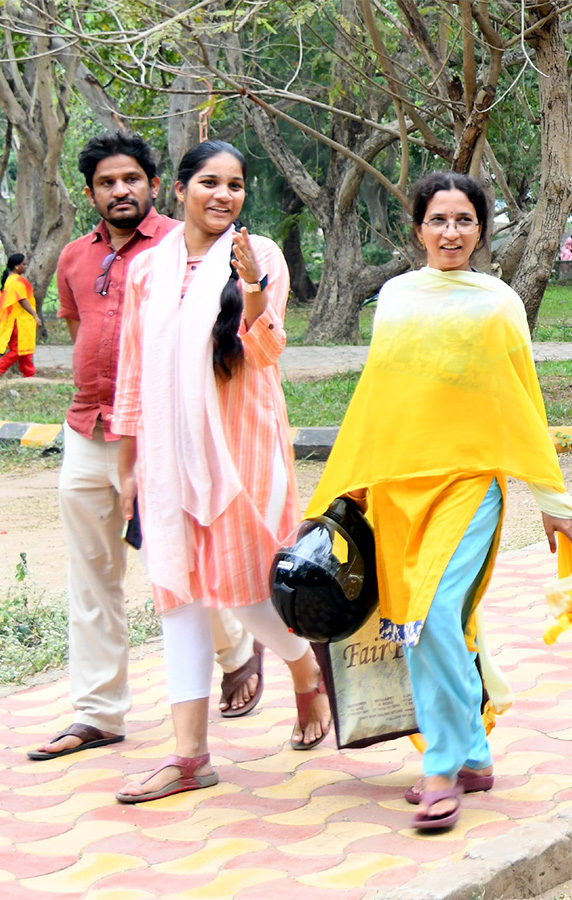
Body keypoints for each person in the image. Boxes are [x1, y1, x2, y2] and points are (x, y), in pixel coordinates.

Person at [306, 171, 572, 832]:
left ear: (482, 228)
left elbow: (524, 400)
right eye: (438, 220)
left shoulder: (498, 303)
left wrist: (551, 498)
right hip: (395, 488)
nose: (450, 233)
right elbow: (380, 397)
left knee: (436, 612)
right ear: (418, 228)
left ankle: (441, 766)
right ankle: (472, 751)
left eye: (463, 220)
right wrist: (347, 487)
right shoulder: (396, 297)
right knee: (413, 620)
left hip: (470, 485)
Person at [28, 133, 263, 763]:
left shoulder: (182, 247)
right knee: (93, 576)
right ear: (91, 194)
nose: (120, 191)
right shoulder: (76, 257)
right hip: (87, 427)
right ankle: (98, 712)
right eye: (107, 183)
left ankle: (238, 650)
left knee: (185, 567)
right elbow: (86, 332)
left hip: (165, 437)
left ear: (157, 186)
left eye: (132, 179)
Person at [110, 140, 330, 802]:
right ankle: (188, 756)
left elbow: (264, 352)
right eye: (209, 181)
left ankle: (302, 671)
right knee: (177, 592)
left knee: (241, 590)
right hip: (168, 454)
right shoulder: (148, 270)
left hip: (241, 451)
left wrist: (255, 289)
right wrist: (128, 471)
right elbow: (132, 371)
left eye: (235, 184)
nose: (223, 195)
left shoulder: (259, 256)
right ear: (178, 190)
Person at [0, 253, 40, 377]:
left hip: (19, 320)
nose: (26, 266)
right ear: (16, 266)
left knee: (25, 350)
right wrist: (35, 315)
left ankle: (29, 374)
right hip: (19, 321)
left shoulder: (10, 280)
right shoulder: (16, 281)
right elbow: (23, 300)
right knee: (18, 349)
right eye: (24, 264)